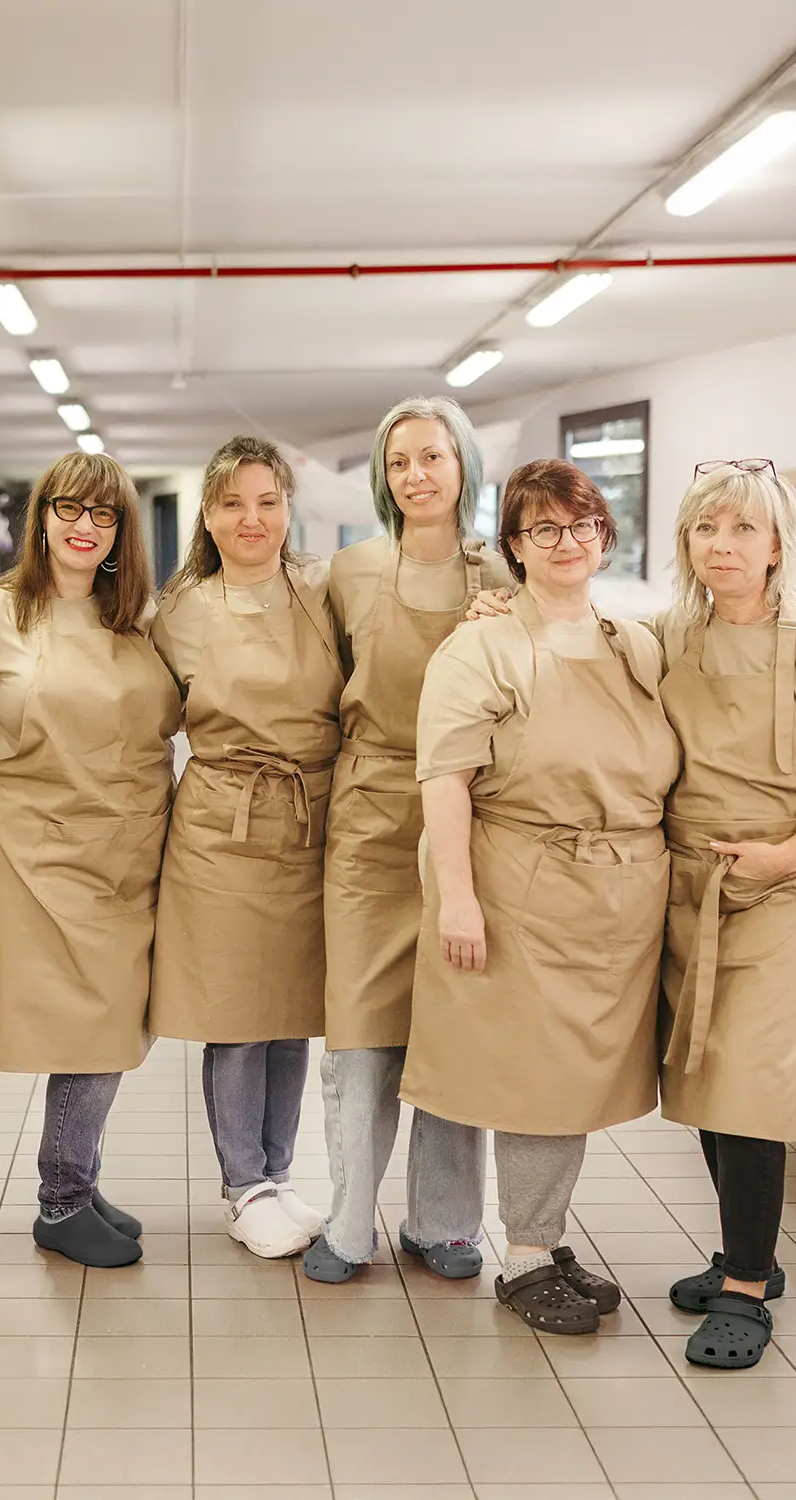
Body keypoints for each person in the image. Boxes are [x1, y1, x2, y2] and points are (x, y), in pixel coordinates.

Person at [402, 458, 678, 1333]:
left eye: (583, 524)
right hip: (519, 884)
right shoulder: (480, 646)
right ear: (515, 547)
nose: (567, 542)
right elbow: (445, 778)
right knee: (535, 1078)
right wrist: (458, 899)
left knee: (576, 1080)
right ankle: (524, 1256)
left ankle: (544, 1237)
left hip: (615, 895)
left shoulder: (635, 644)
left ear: (605, 535)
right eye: (544, 529)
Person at [655, 461, 796, 1368]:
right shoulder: (673, 633)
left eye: (743, 529)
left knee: (752, 1080)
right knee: (708, 1072)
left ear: (779, 544)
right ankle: (743, 1254)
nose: (722, 545)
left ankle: (748, 1289)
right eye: (706, 528)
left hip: (784, 885)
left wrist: (790, 853)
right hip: (693, 883)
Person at [306, 397, 515, 1286]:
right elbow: (315, 693)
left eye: (433, 457)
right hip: (370, 812)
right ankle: (349, 1223)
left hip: (468, 820)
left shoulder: (504, 572)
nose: (416, 476)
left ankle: (445, 1223)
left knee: (453, 1025)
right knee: (360, 1034)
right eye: (399, 463)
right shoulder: (348, 572)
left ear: (464, 465)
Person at [0, 452, 177, 1268]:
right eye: (69, 509)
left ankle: (79, 1177)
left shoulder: (145, 620)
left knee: (117, 1023)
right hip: (39, 853)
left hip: (131, 845)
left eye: (104, 514)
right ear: (42, 516)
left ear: (121, 530)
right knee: (90, 1026)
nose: (85, 527)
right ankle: (60, 1201)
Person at [149, 436, 344, 1259]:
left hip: (311, 819)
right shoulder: (178, 611)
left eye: (267, 501)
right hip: (221, 825)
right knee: (236, 1013)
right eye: (232, 503)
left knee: (291, 1011)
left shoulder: (326, 592)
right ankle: (244, 1187)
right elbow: (138, 715)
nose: (251, 519)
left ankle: (278, 1172)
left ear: (289, 508)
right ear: (208, 513)